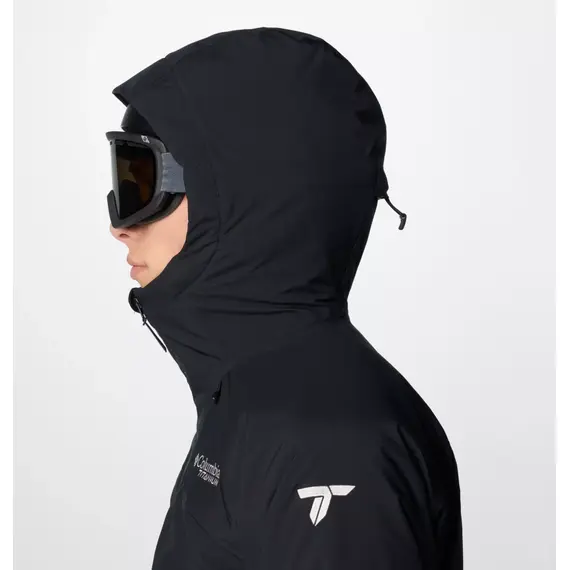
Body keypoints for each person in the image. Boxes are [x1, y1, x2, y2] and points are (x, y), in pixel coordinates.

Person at [107, 27, 463, 570]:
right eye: (123, 179)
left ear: (245, 199)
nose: (120, 226)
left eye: (142, 184)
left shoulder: (331, 443)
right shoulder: (257, 400)